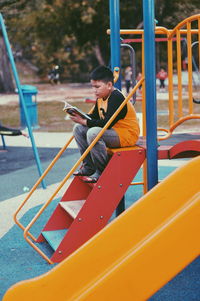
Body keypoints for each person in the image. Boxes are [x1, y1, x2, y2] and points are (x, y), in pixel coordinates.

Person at [70, 65, 140, 183]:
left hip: (126, 135)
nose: (94, 90)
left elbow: (106, 123)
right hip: (113, 132)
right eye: (93, 87)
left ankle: (101, 171)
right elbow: (96, 117)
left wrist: (85, 121)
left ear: (109, 85)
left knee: (93, 133)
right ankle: (88, 166)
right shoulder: (101, 97)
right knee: (78, 128)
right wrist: (80, 115)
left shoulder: (116, 97)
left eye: (97, 87)